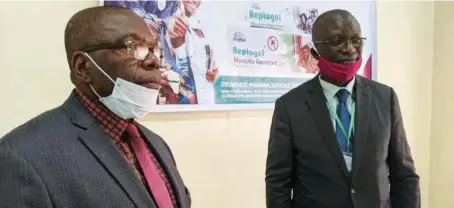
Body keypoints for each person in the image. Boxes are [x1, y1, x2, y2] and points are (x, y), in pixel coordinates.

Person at [0, 6, 191, 208]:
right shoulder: (21, 157)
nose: (153, 61)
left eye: (154, 49)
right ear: (82, 67)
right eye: (134, 47)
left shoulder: (157, 144)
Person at [265, 9, 420, 208]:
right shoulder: (289, 106)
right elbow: (278, 183)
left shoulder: (385, 98)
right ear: (314, 52)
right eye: (337, 41)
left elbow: (404, 174)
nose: (349, 49)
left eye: (356, 40)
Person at [166, 0, 219, 105]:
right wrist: (174, 29)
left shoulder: (201, 27)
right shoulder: (173, 22)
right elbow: (175, 36)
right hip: (185, 101)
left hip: (207, 100)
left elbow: (210, 64)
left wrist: (214, 73)